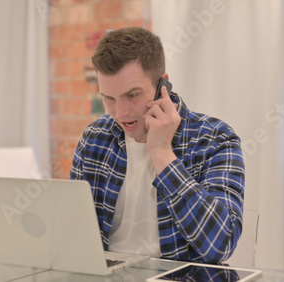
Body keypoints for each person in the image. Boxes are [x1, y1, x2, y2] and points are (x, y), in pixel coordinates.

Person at [70, 27, 245, 263]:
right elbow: (74, 236)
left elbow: (220, 245)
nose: (120, 113)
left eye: (132, 95)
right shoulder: (95, 139)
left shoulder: (215, 139)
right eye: (109, 98)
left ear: (163, 85)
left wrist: (162, 153)